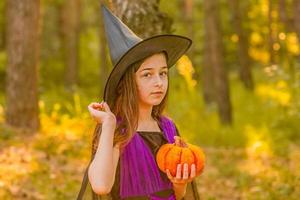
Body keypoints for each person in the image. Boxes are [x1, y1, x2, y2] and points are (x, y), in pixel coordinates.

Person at [78, 5, 200, 200]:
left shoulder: (168, 127)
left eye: (163, 73)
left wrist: (179, 183)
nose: (159, 82)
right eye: (147, 75)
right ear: (128, 82)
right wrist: (108, 124)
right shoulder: (117, 128)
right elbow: (101, 185)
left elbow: (178, 195)